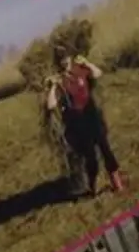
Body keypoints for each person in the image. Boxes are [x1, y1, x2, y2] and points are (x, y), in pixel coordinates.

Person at [46, 48, 124, 197]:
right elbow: (51, 105)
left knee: (105, 149)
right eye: (61, 59)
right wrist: (54, 86)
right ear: (59, 62)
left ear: (70, 57)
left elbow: (98, 73)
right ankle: (93, 185)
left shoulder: (80, 69)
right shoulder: (60, 80)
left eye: (66, 57)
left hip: (92, 114)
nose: (65, 61)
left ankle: (117, 183)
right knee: (90, 157)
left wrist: (87, 63)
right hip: (79, 122)